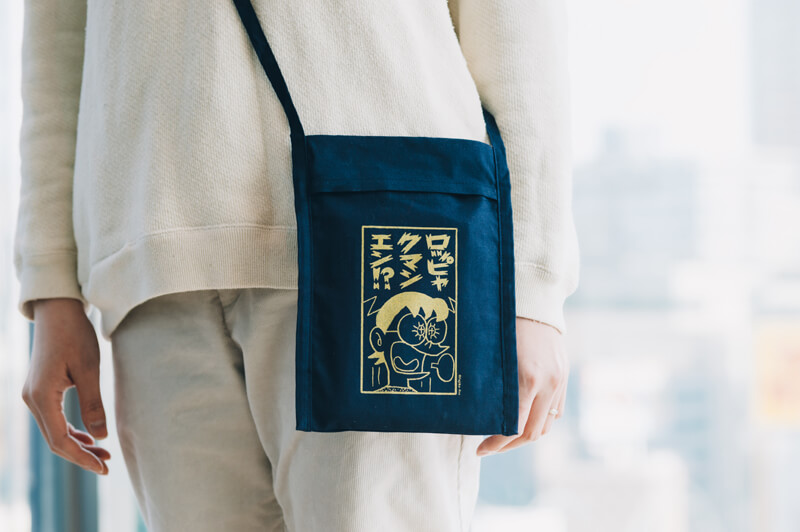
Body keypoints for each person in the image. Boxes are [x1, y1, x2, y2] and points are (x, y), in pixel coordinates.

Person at [15, 0, 580, 530]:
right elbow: (56, 41)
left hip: (379, 229)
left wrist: (532, 281)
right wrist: (51, 282)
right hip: (153, 250)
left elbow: (515, 31)